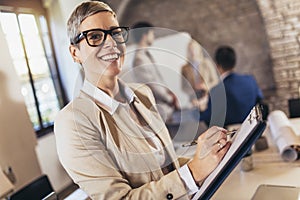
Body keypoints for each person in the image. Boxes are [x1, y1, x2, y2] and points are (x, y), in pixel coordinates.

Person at [54, 1, 230, 199]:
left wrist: (206, 156)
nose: (111, 43)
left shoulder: (143, 95)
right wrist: (194, 171)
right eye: (95, 36)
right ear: (75, 53)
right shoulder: (73, 122)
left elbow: (163, 168)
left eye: (116, 33)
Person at [200, 45, 264, 127]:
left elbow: (209, 118)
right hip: (252, 127)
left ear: (217, 65)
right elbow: (260, 99)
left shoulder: (217, 90)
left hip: (230, 133)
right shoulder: (250, 80)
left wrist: (199, 113)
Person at [131, 21, 179, 122]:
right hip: (159, 109)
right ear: (145, 35)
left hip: (165, 107)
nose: (153, 36)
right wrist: (170, 99)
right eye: (152, 33)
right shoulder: (139, 59)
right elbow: (152, 85)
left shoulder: (145, 56)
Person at [181, 39, 219, 111]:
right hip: (193, 100)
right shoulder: (184, 68)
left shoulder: (207, 63)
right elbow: (183, 87)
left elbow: (216, 81)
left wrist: (206, 86)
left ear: (198, 49)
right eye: (190, 49)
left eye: (194, 49)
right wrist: (193, 89)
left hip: (208, 97)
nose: (192, 52)